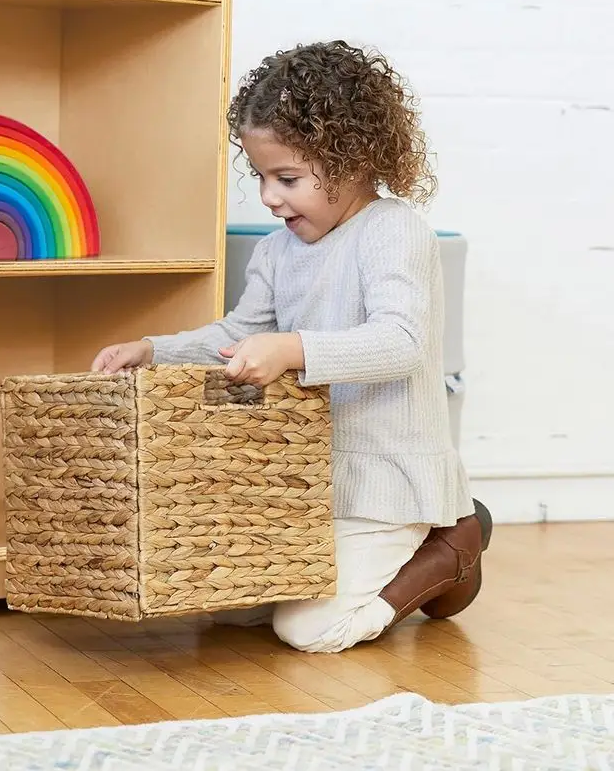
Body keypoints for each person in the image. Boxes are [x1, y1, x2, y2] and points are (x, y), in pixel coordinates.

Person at [90, 40, 491, 654]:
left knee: (307, 628)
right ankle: (413, 555)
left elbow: (402, 340)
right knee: (229, 604)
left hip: (388, 477)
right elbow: (238, 334)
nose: (270, 198)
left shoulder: (393, 231)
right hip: (304, 480)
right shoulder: (280, 250)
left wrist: (293, 349)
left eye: (288, 179)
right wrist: (153, 349)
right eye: (261, 177)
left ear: (353, 160)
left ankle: (450, 548)